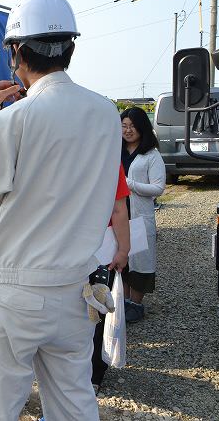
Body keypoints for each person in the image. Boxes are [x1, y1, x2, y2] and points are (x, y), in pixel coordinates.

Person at [0, 0, 122, 421]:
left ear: (16, 53)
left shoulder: (17, 117)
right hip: (75, 288)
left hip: (17, 288)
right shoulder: (105, 113)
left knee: (0, 404)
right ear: (71, 48)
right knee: (73, 398)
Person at [120, 107, 166, 324]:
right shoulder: (116, 152)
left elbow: (158, 188)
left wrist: (130, 185)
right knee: (123, 260)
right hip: (119, 215)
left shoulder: (151, 155)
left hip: (139, 215)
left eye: (132, 126)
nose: (128, 130)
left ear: (142, 128)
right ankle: (125, 301)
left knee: (139, 260)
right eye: (124, 126)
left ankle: (136, 304)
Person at [90, 166, 131, 394]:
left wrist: (124, 249)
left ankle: (86, 372)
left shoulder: (54, 147)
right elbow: (118, 208)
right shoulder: (107, 154)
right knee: (96, 314)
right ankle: (93, 375)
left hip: (64, 253)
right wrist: (123, 249)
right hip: (100, 252)